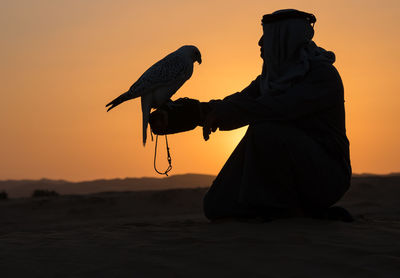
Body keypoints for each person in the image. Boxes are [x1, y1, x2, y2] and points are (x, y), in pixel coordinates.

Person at [150, 9, 352, 221]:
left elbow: (273, 108)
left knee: (265, 131)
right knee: (216, 206)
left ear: (285, 39)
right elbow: (239, 101)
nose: (260, 42)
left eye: (267, 36)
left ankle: (296, 213)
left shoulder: (322, 76)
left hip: (326, 176)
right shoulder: (270, 79)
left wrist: (218, 115)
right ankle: (291, 212)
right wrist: (194, 113)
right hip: (284, 167)